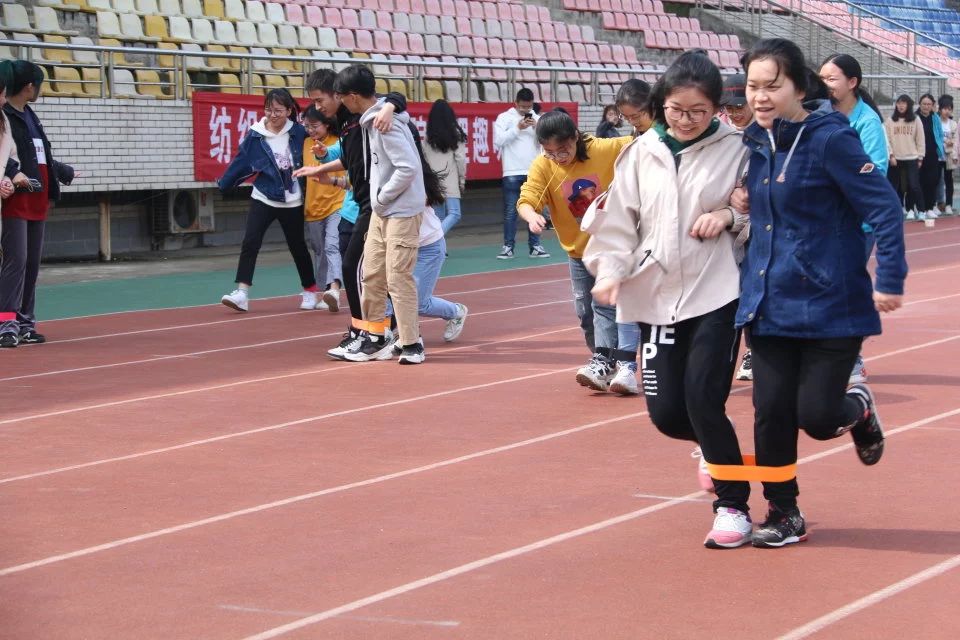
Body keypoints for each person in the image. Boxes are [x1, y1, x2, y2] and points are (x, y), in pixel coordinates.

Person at [738, 38, 906, 547]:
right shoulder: (753, 142)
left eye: (772, 85)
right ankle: (783, 511)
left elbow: (884, 209)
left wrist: (890, 278)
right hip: (768, 301)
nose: (760, 96)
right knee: (770, 412)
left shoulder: (831, 139)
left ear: (798, 86)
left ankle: (859, 409)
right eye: (752, 86)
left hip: (832, 302)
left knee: (816, 416)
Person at [584, 51, 752, 549]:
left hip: (717, 291)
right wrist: (610, 273)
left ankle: (733, 507)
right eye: (677, 110)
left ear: (716, 109)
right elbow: (618, 224)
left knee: (703, 398)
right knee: (668, 415)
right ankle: (713, 441)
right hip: (657, 295)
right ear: (661, 105)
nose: (686, 120)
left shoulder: (738, 149)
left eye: (699, 111)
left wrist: (730, 217)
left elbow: (762, 213)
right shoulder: (640, 153)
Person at [514, 112, 633, 393]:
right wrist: (531, 215)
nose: (558, 157)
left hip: (611, 246)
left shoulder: (603, 149)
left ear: (575, 137)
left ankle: (606, 359)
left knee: (604, 306)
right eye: (550, 152)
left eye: (563, 150)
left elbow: (639, 142)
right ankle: (605, 360)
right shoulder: (544, 165)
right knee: (584, 313)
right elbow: (527, 197)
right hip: (578, 252)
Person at [297, 69, 406, 360]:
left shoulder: (365, 114)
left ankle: (371, 334)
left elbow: (395, 98)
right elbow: (350, 158)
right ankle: (375, 332)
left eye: (320, 100)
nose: (317, 107)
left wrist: (391, 106)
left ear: (339, 95)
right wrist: (321, 167)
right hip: (363, 202)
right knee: (366, 271)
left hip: (377, 204)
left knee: (354, 268)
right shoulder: (346, 122)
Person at [334, 65, 426, 364]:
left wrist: (383, 197)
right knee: (371, 274)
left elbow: (408, 168)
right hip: (381, 211)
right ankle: (374, 336)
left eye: (341, 96)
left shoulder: (386, 123)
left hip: (400, 211)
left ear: (352, 96)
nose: (340, 102)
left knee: (398, 277)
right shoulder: (372, 119)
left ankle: (412, 343)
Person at [818, 54, 890, 385]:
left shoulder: (867, 122)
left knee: (844, 290)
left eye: (831, 78)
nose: (824, 84)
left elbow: (874, 171)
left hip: (857, 226)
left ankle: (852, 357)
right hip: (821, 223)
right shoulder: (820, 115)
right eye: (821, 78)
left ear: (852, 82)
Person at [217, 88, 316, 313]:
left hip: (293, 200)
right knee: (250, 242)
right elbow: (241, 161)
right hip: (263, 196)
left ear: (289, 111)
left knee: (298, 246)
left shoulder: (299, 132)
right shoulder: (256, 135)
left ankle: (310, 291)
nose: (273, 115)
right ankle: (242, 293)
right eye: (269, 110)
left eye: (278, 110)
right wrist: (224, 183)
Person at [0, 60, 75, 348]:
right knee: (15, 262)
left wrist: (63, 172)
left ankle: (25, 322)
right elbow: (5, 155)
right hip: (15, 201)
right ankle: (6, 322)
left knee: (31, 264)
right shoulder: (5, 117)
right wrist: (12, 173)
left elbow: (42, 156)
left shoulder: (30, 116)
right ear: (29, 87)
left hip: (37, 199)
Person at [493, 88, 550, 259]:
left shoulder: (538, 119)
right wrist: (517, 128)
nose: (526, 110)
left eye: (529, 107)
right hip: (511, 170)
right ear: (516, 103)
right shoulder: (505, 118)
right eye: (523, 107)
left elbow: (546, 143)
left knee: (535, 209)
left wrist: (536, 128)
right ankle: (508, 246)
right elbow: (499, 140)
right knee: (511, 211)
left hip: (533, 171)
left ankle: (535, 246)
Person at [301, 106, 345, 312]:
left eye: (315, 126)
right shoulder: (304, 144)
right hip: (313, 207)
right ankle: (325, 290)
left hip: (337, 204)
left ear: (327, 124)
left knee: (332, 246)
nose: (311, 130)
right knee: (319, 251)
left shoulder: (338, 143)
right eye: (307, 126)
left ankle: (334, 289)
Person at [423, 99, 466, 235]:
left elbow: (424, 158)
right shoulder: (455, 134)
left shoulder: (428, 135)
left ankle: (437, 244)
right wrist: (462, 180)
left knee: (438, 218)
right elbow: (460, 159)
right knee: (455, 213)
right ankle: (434, 237)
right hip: (450, 179)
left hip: (433, 181)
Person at [884, 94, 926, 220]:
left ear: (909, 105)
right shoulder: (890, 121)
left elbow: (920, 139)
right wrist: (891, 155)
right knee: (895, 186)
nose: (901, 106)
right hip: (896, 159)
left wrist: (920, 157)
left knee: (913, 185)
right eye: (899, 103)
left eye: (904, 103)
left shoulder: (916, 120)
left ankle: (919, 210)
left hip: (912, 158)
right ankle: (897, 209)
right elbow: (887, 140)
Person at [916, 93, 944, 220]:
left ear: (932, 105)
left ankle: (930, 207)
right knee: (920, 181)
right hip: (918, 155)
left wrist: (940, 148)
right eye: (924, 104)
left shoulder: (935, 118)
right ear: (920, 104)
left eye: (929, 104)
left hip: (933, 154)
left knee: (932, 181)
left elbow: (939, 134)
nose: (926, 106)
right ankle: (920, 208)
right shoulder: (915, 117)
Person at [937, 95, 954, 215]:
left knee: (949, 181)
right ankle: (935, 204)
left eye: (949, 109)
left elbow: (956, 139)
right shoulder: (936, 122)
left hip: (948, 156)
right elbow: (935, 136)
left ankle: (948, 205)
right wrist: (944, 140)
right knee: (935, 180)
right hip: (937, 156)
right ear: (940, 109)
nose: (947, 111)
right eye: (944, 108)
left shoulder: (953, 124)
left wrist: (952, 141)